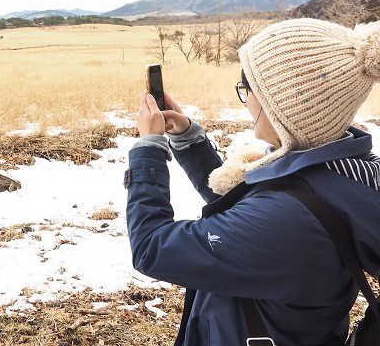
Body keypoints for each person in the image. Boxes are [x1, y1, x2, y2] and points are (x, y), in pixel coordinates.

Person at [125, 17, 380, 345]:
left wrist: (148, 149)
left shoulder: (286, 219)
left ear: (285, 106)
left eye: (249, 89)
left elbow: (153, 248)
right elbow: (245, 206)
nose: (244, 101)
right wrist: (188, 138)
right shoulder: (332, 169)